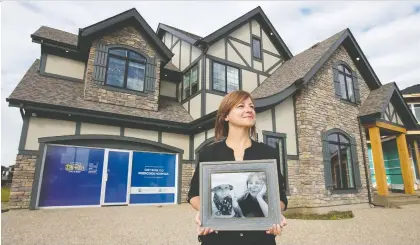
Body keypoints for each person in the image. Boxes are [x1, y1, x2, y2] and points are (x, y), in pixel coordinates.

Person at [187, 90, 288, 245]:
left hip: (259, 239)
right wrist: (207, 212)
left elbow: (280, 198)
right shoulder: (208, 153)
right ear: (226, 116)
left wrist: (274, 215)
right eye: (241, 106)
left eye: (252, 107)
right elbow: (194, 194)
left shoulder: (269, 153)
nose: (249, 110)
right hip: (217, 238)